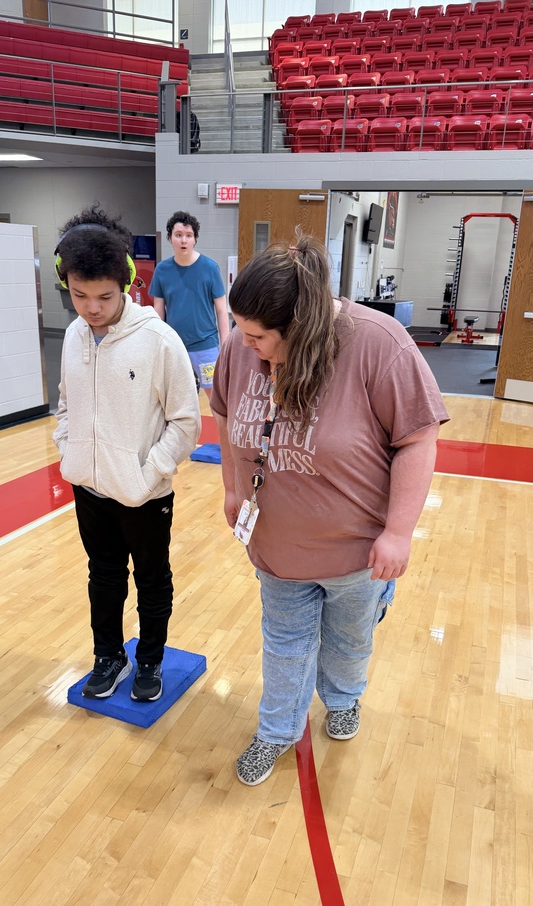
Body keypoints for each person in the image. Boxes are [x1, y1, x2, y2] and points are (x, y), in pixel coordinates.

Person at [210, 234, 449, 786]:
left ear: (302, 328)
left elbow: (418, 437)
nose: (246, 347)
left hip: (356, 554)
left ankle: (344, 696)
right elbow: (223, 413)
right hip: (279, 550)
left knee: (346, 647)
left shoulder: (377, 343)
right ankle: (276, 731)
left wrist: (399, 532)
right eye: (241, 333)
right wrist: (232, 487)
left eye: (260, 337)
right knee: (286, 645)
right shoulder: (241, 345)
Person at [53, 204, 200, 703]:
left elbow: (186, 421)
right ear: (66, 282)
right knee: (104, 575)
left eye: (104, 297)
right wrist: (68, 448)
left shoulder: (158, 340)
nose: (91, 308)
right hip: (89, 488)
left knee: (152, 580)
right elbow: (66, 401)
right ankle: (108, 656)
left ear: (128, 283)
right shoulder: (74, 335)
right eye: (79, 295)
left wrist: (148, 473)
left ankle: (151, 661)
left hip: (144, 492)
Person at [150, 211, 230, 403]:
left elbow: (221, 309)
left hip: (205, 344)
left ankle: (224, 434)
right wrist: (156, 343)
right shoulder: (162, 269)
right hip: (175, 345)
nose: (183, 240)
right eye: (178, 235)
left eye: (188, 235)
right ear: (170, 238)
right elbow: (158, 310)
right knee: (175, 398)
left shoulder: (210, 268)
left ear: (195, 239)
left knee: (216, 399)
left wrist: (225, 344)